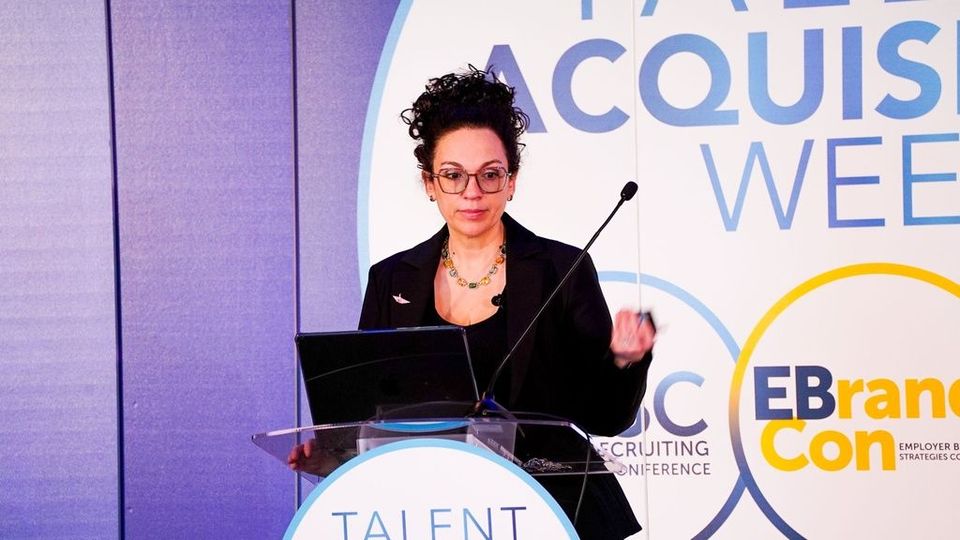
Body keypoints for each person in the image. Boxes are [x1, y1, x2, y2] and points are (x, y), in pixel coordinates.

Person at [354, 66, 657, 539]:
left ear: (511, 181)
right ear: (429, 183)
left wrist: (625, 359)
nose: (472, 192)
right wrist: (333, 450)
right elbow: (365, 410)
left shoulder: (562, 269)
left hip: (556, 505)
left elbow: (607, 417)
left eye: (490, 175)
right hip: (430, 510)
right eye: (453, 175)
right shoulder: (391, 279)